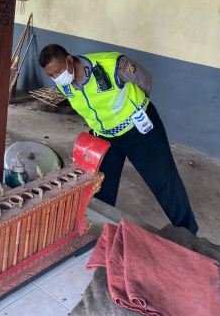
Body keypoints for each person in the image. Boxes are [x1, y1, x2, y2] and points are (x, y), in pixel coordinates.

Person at [39, 44, 199, 234]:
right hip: (105, 136)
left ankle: (188, 233)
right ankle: (99, 230)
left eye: (58, 71)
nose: (57, 77)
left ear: (70, 59)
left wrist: (136, 109)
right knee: (100, 184)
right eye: (52, 75)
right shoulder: (63, 83)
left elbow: (145, 80)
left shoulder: (111, 64)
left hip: (138, 129)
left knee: (163, 179)